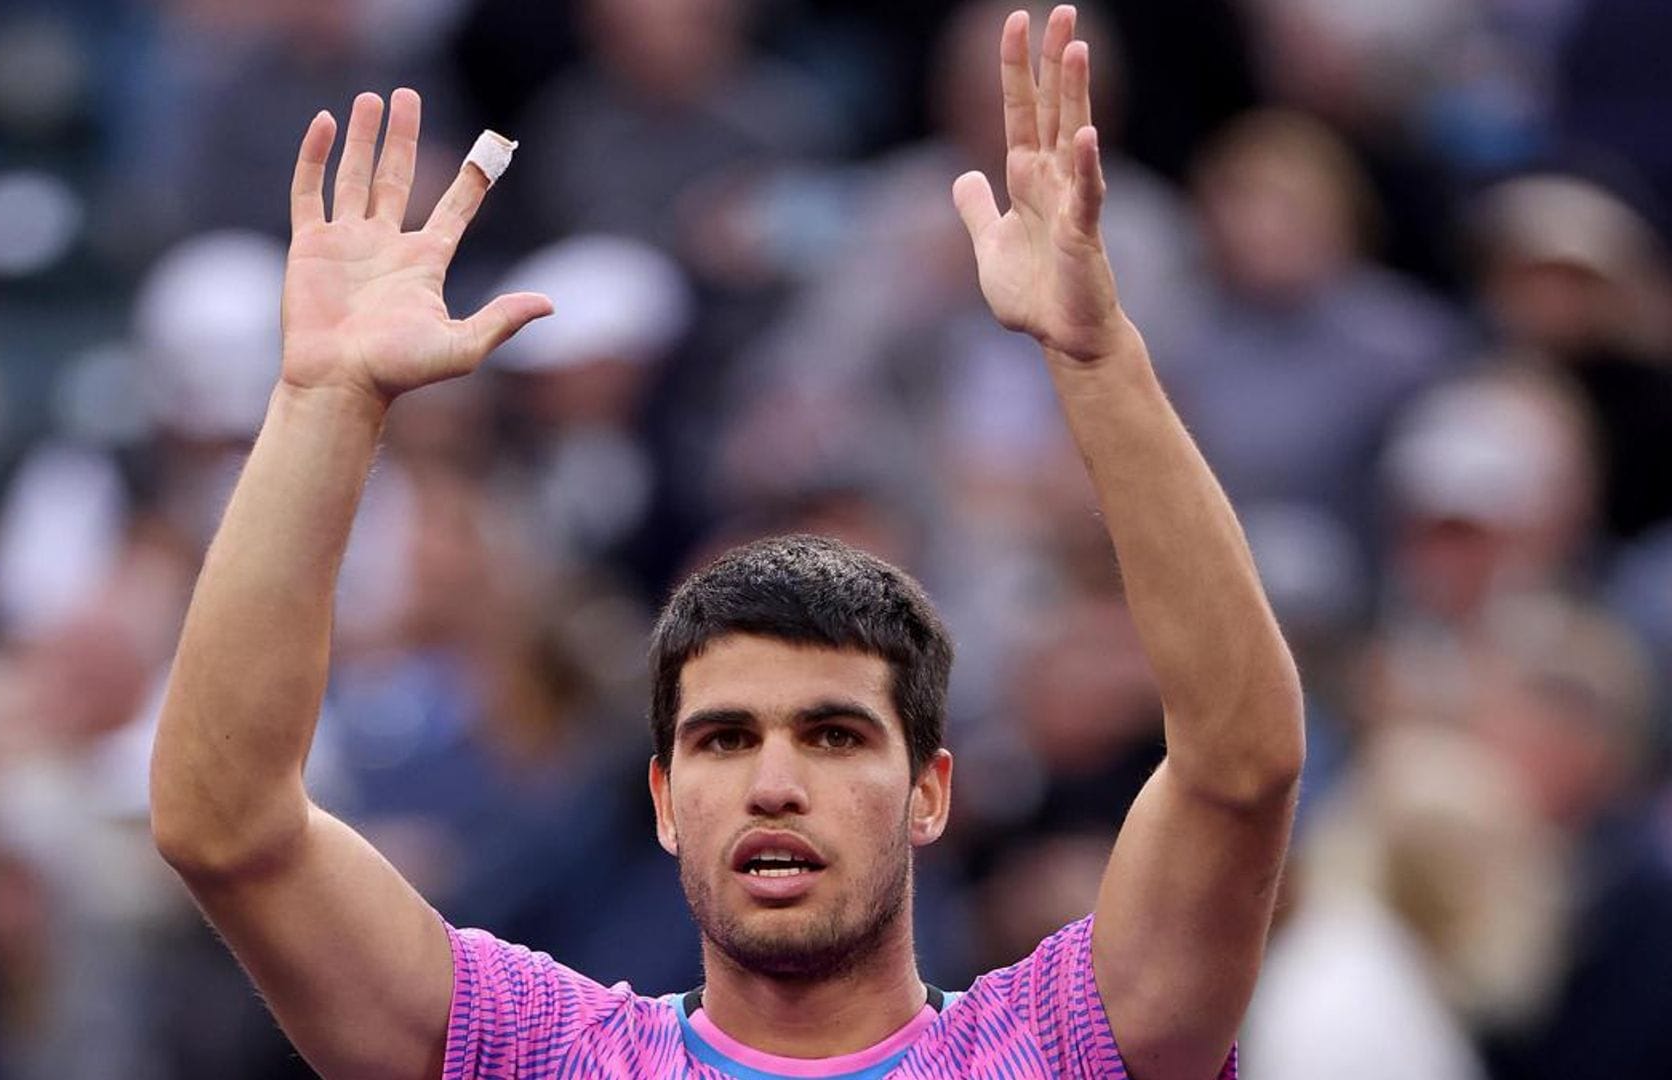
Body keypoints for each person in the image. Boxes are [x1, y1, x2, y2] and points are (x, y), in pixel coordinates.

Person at [149, 8, 1303, 1078]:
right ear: (661, 798)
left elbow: (1239, 762)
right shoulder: (548, 1053)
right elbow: (227, 822)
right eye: (721, 739)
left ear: (930, 793)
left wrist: (1100, 367)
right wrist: (323, 401)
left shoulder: (1058, 1044)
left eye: (838, 734)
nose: (775, 784)